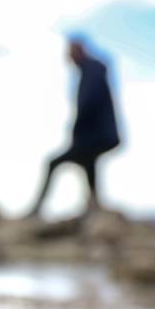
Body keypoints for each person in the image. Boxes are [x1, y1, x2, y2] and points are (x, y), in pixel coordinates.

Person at [27, 37, 120, 218]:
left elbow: (88, 104)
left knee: (55, 162)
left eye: (70, 52)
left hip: (97, 135)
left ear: (79, 51)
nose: (68, 57)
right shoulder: (90, 71)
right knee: (88, 161)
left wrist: (76, 132)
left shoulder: (92, 71)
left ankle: (37, 209)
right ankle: (94, 206)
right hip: (98, 135)